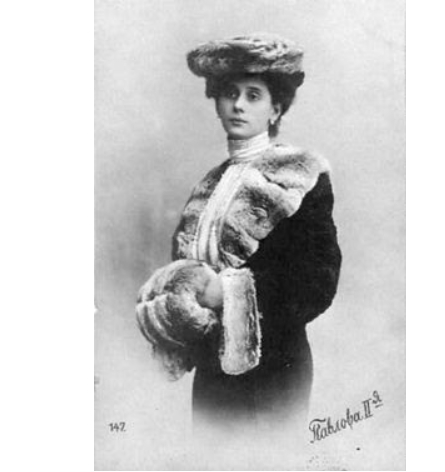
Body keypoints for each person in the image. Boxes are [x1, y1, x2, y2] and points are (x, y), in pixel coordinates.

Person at [135, 33, 341, 444]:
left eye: (253, 95)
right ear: (217, 103)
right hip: (213, 367)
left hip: (274, 365)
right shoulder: (210, 185)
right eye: (230, 93)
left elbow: (317, 283)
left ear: (275, 108)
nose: (239, 105)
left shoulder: (300, 177)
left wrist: (226, 293)